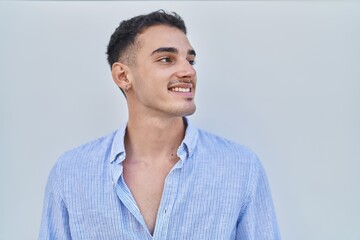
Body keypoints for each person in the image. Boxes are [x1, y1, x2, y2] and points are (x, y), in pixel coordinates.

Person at [39, 10, 281, 239]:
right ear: (123, 76)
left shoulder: (240, 168)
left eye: (191, 60)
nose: (188, 71)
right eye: (166, 59)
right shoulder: (72, 174)